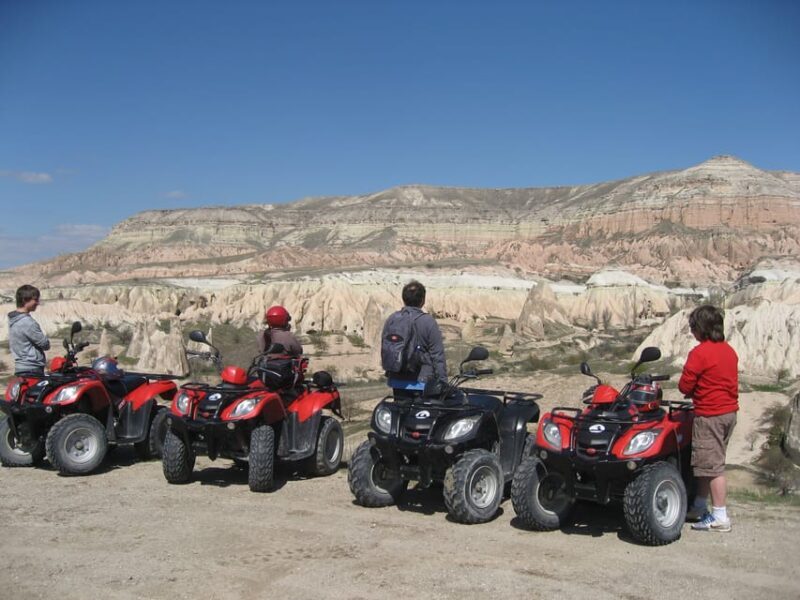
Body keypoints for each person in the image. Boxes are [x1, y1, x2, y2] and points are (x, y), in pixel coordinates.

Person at [678, 304, 739, 533]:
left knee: (713, 469)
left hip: (710, 415)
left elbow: (685, 385)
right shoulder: (729, 350)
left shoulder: (700, 353)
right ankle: (699, 506)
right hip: (728, 413)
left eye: (693, 327)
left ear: (700, 328)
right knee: (706, 462)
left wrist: (694, 390)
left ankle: (720, 517)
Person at [383, 280, 447, 394]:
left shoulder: (392, 319)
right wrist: (443, 383)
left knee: (400, 411)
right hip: (421, 383)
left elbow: (386, 347)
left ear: (404, 299)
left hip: (397, 381)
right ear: (423, 300)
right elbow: (438, 355)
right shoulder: (427, 321)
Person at [8, 284, 51, 376]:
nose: (38, 303)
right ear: (25, 300)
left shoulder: (13, 319)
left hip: (21, 367)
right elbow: (45, 344)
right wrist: (46, 337)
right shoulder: (27, 322)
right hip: (32, 369)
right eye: (35, 299)